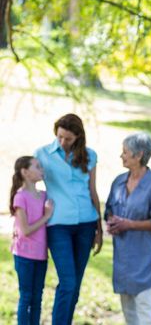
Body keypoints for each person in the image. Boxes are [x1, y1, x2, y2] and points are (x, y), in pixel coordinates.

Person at [35, 113, 103, 325]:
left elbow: (93, 191)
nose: (63, 142)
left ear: (78, 137)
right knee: (68, 282)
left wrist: (99, 229)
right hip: (58, 226)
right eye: (60, 137)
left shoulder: (90, 156)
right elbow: (27, 182)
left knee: (76, 284)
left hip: (86, 224)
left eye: (68, 139)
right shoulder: (42, 154)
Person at [105, 132, 151, 325]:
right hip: (122, 255)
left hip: (143, 255)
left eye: (125, 152)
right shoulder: (118, 181)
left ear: (138, 155)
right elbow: (108, 210)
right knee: (127, 307)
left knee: (144, 306)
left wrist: (129, 224)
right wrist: (112, 222)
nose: (121, 156)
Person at [9, 156, 53, 325]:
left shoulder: (44, 196)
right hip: (24, 256)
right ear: (25, 172)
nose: (41, 169)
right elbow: (25, 230)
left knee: (37, 298)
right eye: (37, 166)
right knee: (26, 297)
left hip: (41, 256)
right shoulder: (20, 197)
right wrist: (46, 216)